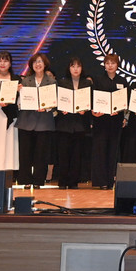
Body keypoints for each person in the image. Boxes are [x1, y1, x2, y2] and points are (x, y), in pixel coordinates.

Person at [16, 53, 56, 189]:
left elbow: (54, 102)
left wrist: (46, 107)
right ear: (31, 65)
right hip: (26, 121)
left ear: (45, 64)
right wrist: (19, 93)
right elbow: (19, 103)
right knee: (25, 153)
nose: (38, 64)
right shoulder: (25, 81)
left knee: (41, 154)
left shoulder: (51, 82)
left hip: (44, 122)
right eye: (35, 62)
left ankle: (38, 180)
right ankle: (25, 180)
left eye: (40, 62)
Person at [91, 54, 128, 189]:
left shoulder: (122, 81)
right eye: (108, 63)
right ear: (104, 65)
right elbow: (93, 99)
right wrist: (95, 112)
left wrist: (123, 114)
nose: (110, 66)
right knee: (100, 150)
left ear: (117, 65)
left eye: (113, 63)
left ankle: (111, 180)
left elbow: (126, 101)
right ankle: (101, 181)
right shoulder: (98, 80)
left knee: (113, 151)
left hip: (116, 121)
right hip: (101, 120)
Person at [55, 57, 93, 189]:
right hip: (64, 124)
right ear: (69, 68)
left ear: (82, 68)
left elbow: (91, 101)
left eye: (78, 66)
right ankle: (62, 181)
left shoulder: (87, 83)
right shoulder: (61, 82)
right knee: (63, 154)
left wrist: (86, 109)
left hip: (80, 124)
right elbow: (56, 100)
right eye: (73, 66)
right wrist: (61, 108)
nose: (75, 69)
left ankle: (73, 182)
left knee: (77, 155)